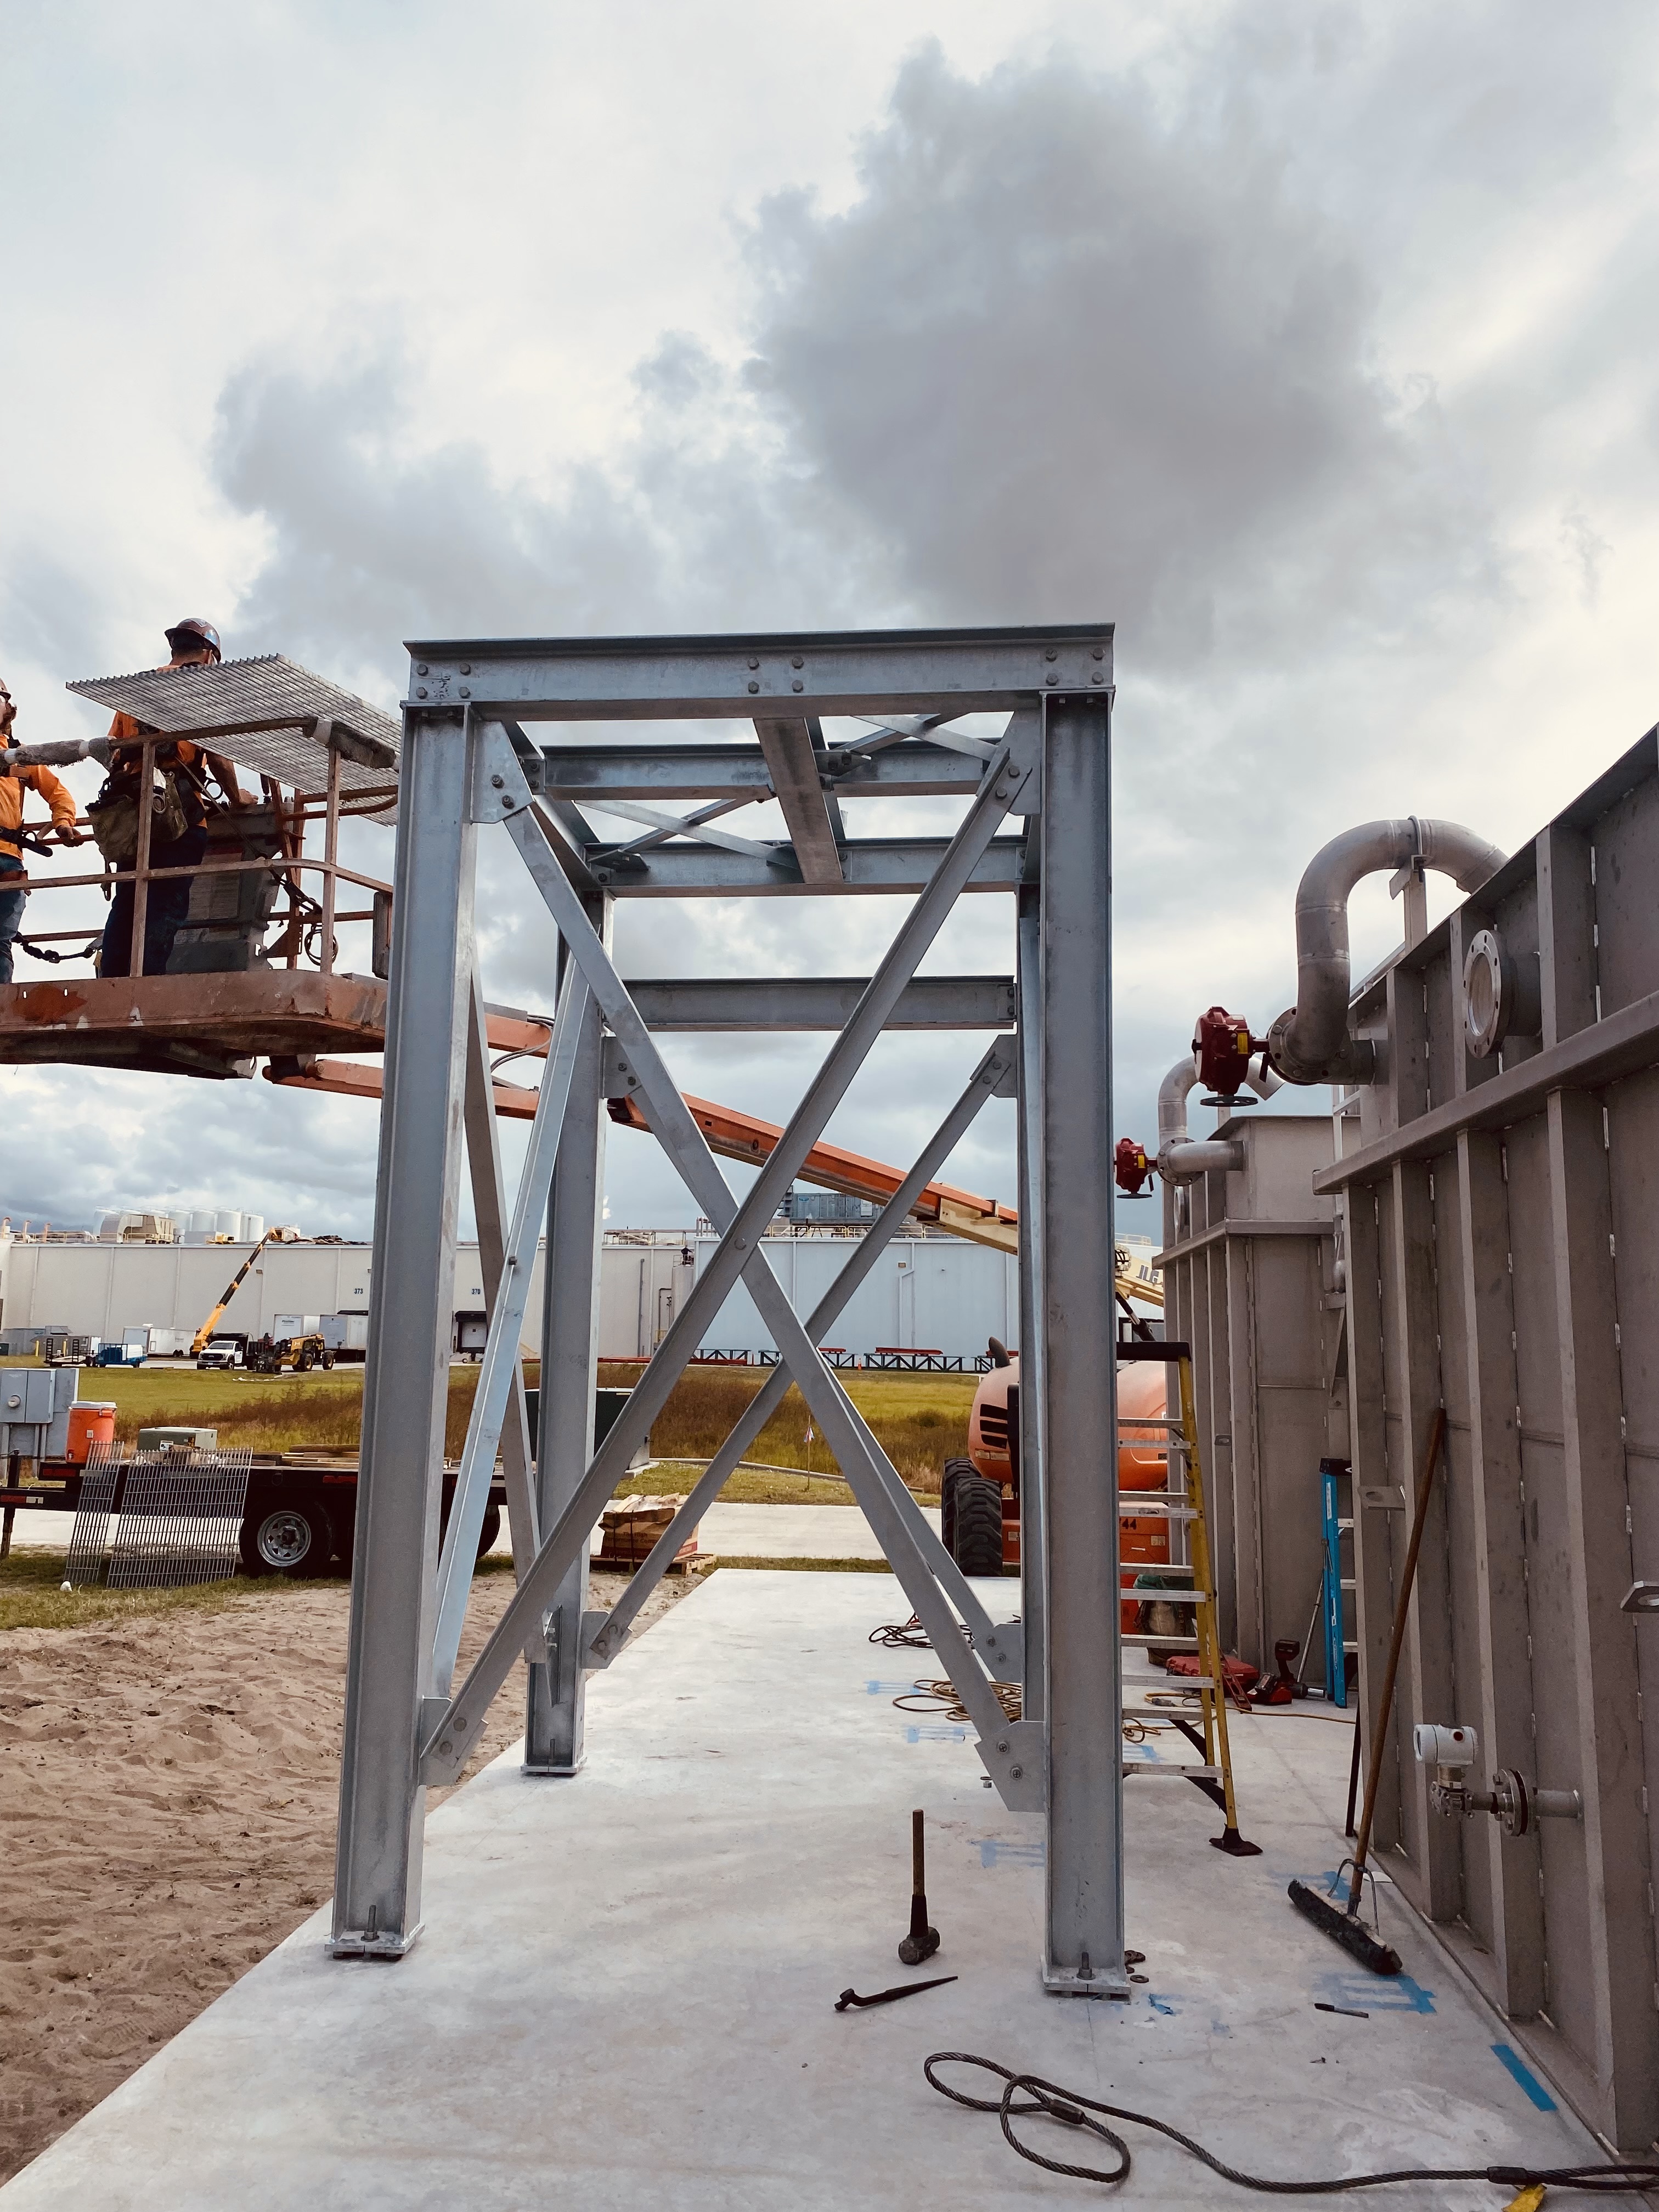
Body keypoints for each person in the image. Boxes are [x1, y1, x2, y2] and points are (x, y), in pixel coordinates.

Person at [99, 619, 251, 979]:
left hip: (134, 812)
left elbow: (113, 754)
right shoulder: (206, 686)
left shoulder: (136, 689)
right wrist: (237, 798)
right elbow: (218, 756)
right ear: (210, 655)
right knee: (166, 905)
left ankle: (112, 983)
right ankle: (146, 985)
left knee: (128, 900)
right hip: (179, 813)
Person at [0, 676, 85, 984]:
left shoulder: (19, 755)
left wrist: (63, 822)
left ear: (7, 709)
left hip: (7, 860)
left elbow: (59, 793)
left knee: (0, 942)